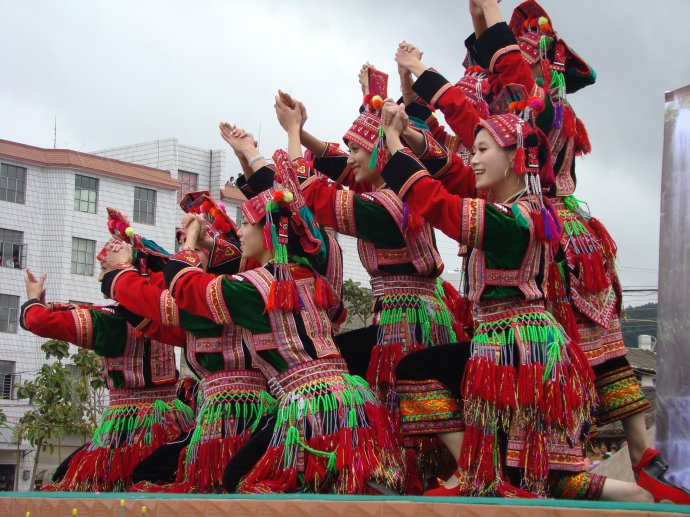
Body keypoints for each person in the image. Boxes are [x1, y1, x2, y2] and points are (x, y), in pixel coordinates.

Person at [381, 104, 655, 502]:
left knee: (543, 476)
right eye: (472, 151)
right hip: (507, 349)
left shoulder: (516, 221)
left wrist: (392, 142)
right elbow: (446, 181)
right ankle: (478, 471)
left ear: (513, 159)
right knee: (536, 476)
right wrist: (407, 136)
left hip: (520, 354)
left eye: (481, 150)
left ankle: (637, 497)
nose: (472, 160)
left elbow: (439, 204)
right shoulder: (515, 210)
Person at [164, 150, 404, 494]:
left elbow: (184, 285)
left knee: (245, 481)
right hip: (348, 400)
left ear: (268, 234)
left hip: (309, 406)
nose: (241, 231)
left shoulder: (256, 289)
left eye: (247, 224)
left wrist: (188, 246)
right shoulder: (306, 273)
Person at [100, 204, 276, 493]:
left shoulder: (220, 295)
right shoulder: (232, 288)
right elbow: (154, 309)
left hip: (238, 413)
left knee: (205, 480)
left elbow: (163, 299)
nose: (181, 252)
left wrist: (119, 273)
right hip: (224, 410)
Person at [21, 264, 193, 492]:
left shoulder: (110, 322)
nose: (100, 276)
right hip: (172, 419)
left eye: (104, 268)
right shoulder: (163, 314)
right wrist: (47, 305)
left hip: (127, 425)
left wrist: (33, 301)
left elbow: (37, 321)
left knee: (77, 479)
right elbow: (81, 309)